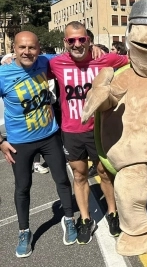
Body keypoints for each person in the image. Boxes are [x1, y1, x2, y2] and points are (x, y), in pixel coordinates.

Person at [49, 21, 129, 244]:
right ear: (65, 42)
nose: (77, 44)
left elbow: (134, 62)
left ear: (89, 40)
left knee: (105, 172)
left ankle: (113, 213)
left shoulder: (105, 59)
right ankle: (85, 219)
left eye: (81, 39)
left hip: (99, 129)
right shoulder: (56, 63)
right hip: (72, 130)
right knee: (79, 174)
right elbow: (31, 65)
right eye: (72, 40)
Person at [0, 31, 77, 257]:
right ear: (14, 48)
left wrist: (97, 50)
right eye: (22, 47)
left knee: (63, 179)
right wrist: (1, 143)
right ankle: (24, 231)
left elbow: (74, 56)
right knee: (22, 188)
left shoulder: (45, 62)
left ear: (39, 49)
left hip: (50, 137)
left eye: (32, 48)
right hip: (19, 144)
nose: (27, 52)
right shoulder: (3, 73)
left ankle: (69, 219)